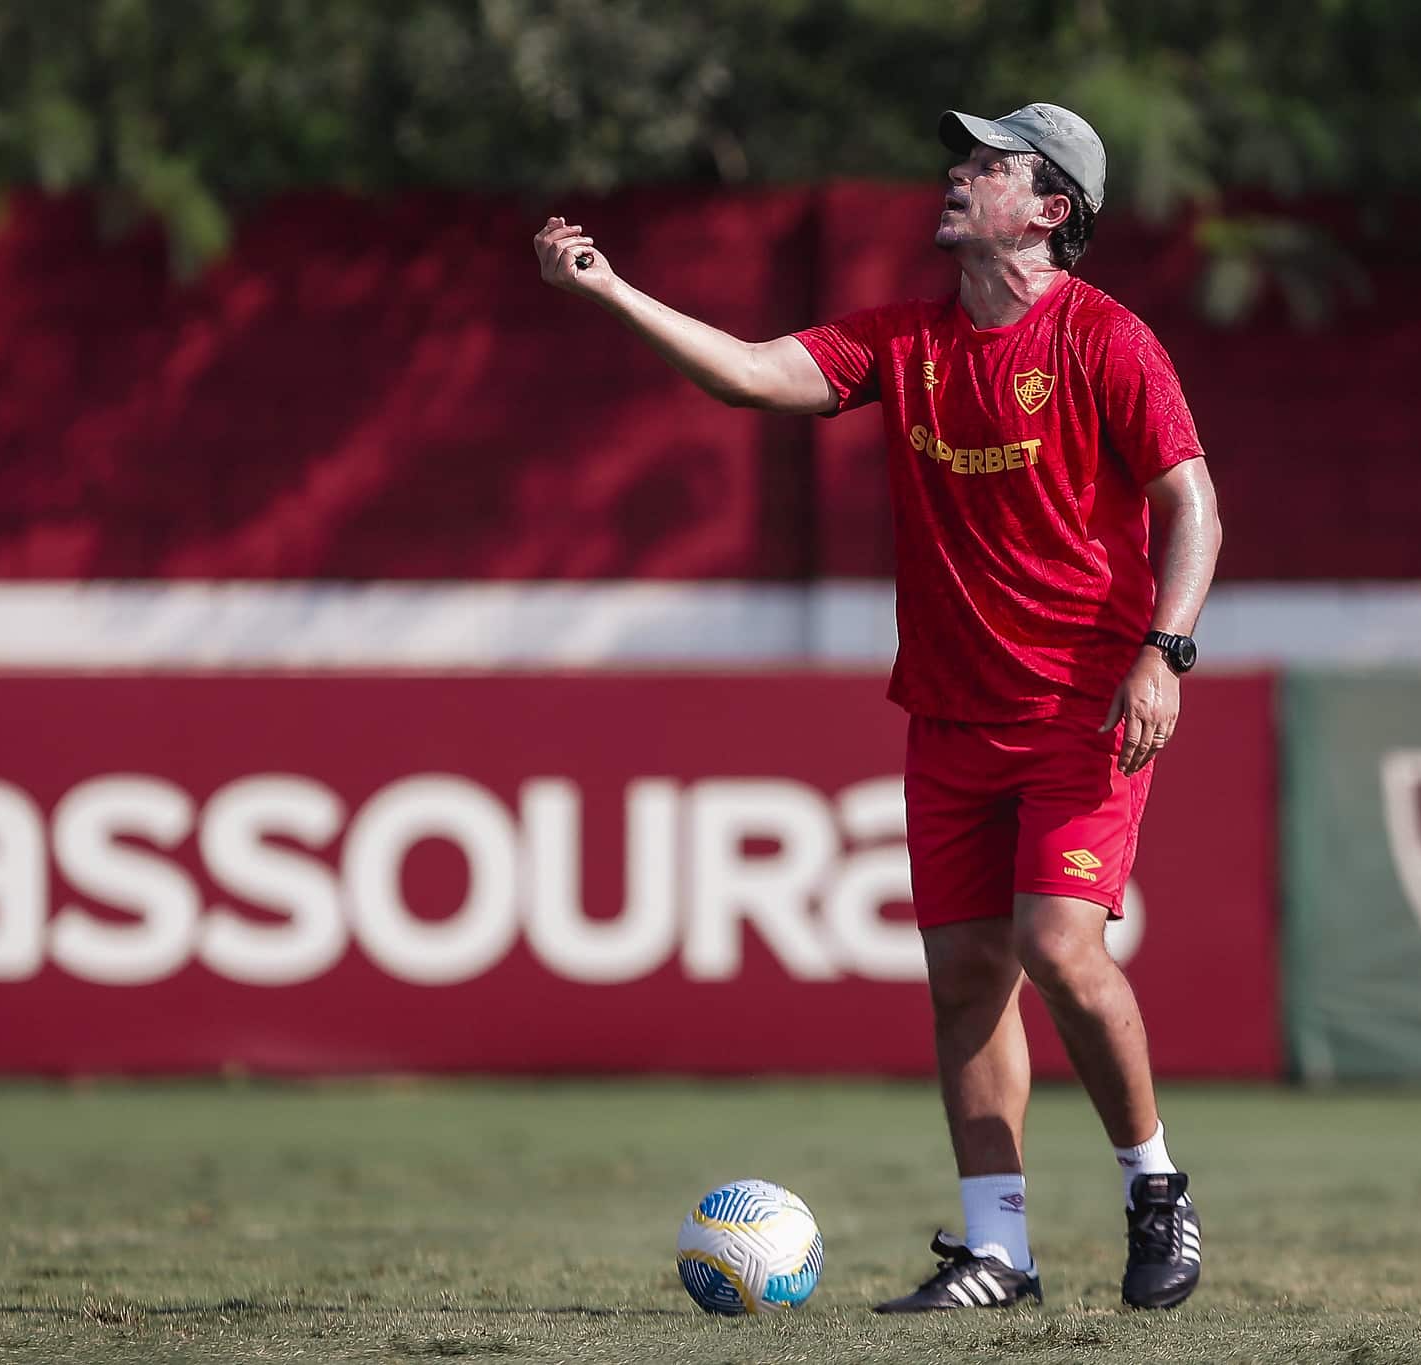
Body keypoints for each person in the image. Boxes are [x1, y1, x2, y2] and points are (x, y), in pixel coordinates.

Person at [533, 102, 1220, 1313]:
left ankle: (1153, 1187)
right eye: (958, 160)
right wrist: (609, 291)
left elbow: (1190, 503)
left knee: (1059, 950)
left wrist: (1163, 651)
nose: (954, 175)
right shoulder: (905, 343)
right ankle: (997, 1250)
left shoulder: (1105, 339)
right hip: (948, 717)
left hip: (1079, 708)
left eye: (987, 166)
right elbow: (751, 376)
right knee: (964, 979)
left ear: (1049, 209)